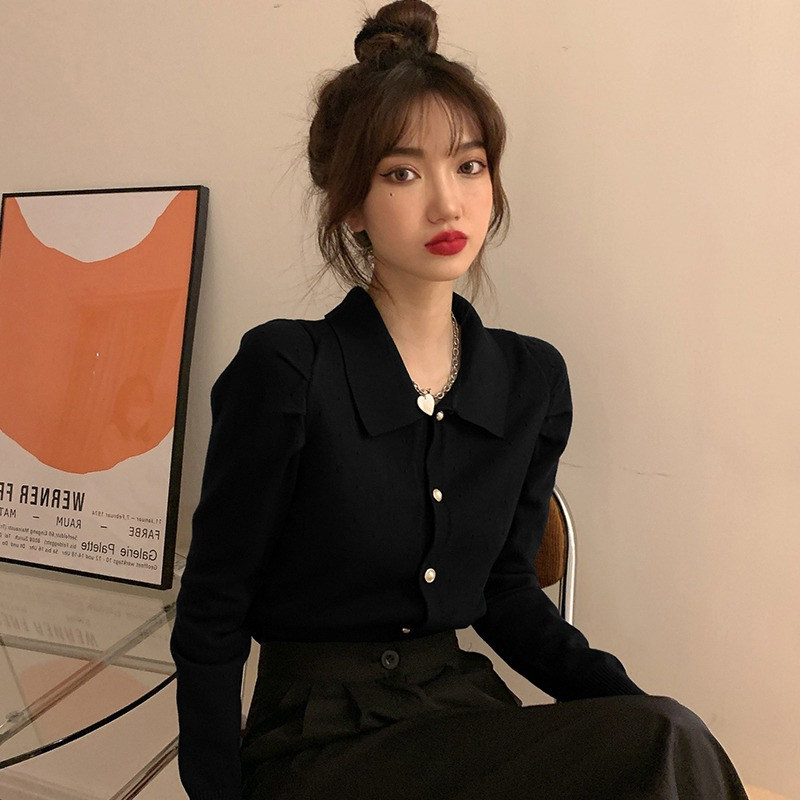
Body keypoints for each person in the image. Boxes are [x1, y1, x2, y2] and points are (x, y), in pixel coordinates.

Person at [170, 2, 749, 798]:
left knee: (666, 737)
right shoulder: (288, 371)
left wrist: (641, 718)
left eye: (470, 166)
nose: (448, 203)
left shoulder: (529, 381)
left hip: (458, 719)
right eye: (403, 173)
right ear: (350, 204)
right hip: (319, 744)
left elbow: (507, 595)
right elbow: (213, 607)